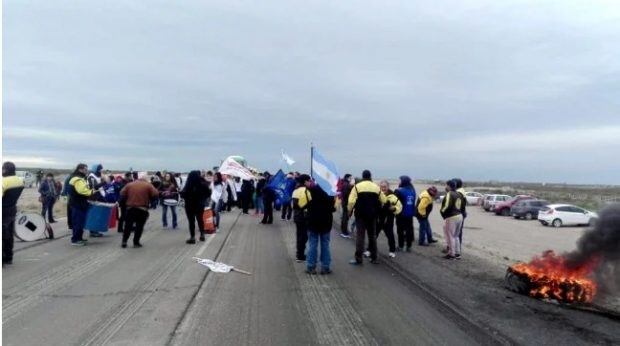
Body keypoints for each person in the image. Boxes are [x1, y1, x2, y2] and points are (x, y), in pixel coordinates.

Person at [347, 170, 386, 265]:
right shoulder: (376, 187)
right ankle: (374, 258)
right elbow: (384, 199)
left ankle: (358, 259)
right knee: (372, 236)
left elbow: (351, 201)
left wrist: (349, 211)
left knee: (360, 236)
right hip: (372, 215)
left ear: (363, 176)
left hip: (360, 215)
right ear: (370, 176)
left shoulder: (357, 187)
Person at [119, 173, 159, 248]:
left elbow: (122, 193)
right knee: (139, 226)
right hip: (142, 209)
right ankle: (136, 242)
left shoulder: (129, 184)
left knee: (128, 225)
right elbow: (155, 194)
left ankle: (124, 241)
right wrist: (150, 200)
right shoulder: (148, 185)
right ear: (146, 178)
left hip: (130, 208)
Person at [306, 178, 336, 275]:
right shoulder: (330, 192)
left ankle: (311, 267)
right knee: (325, 245)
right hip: (326, 221)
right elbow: (332, 208)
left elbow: (306, 204)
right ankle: (325, 267)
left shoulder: (311, 190)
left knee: (312, 245)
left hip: (313, 221)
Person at [369, 180, 401, 258]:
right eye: (381, 186)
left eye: (385, 187)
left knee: (390, 236)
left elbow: (399, 207)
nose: (383, 188)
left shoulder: (393, 196)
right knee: (373, 236)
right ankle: (369, 250)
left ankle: (392, 251)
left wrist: (394, 208)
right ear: (379, 187)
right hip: (378, 220)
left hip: (388, 220)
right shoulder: (376, 195)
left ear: (388, 187)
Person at [68, 163, 97, 246]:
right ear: (80, 169)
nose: (86, 171)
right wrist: (92, 192)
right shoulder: (77, 179)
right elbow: (81, 190)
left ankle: (79, 238)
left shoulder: (80, 178)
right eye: (85, 169)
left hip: (80, 203)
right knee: (78, 222)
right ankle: (75, 240)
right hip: (77, 204)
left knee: (81, 222)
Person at [3, 162, 25, 265]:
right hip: (12, 209)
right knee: (9, 234)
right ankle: (8, 257)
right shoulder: (19, 181)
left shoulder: (4, 181)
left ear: (5, 170)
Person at [181, 170, 211, 244]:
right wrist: (203, 199)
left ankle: (192, 237)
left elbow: (183, 195)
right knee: (200, 219)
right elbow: (208, 193)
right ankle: (202, 234)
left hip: (189, 205)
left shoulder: (188, 185)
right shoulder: (203, 184)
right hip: (200, 205)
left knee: (191, 221)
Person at [440, 179, 464, 260]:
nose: (445, 187)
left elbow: (447, 206)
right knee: (456, 236)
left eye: (446, 185)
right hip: (459, 215)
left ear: (449, 186)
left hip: (451, 216)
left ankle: (451, 254)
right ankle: (457, 253)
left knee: (450, 236)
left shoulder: (450, 194)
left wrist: (442, 212)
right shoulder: (459, 194)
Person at [394, 175, 417, 252]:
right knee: (409, 230)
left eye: (399, 180)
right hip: (410, 214)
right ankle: (409, 246)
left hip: (401, 214)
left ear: (403, 181)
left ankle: (400, 246)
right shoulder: (412, 190)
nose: (398, 182)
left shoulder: (399, 191)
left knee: (400, 230)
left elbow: (395, 202)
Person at [292, 174, 311, 262]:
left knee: (299, 235)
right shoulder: (305, 190)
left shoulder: (296, 189)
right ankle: (300, 255)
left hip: (297, 215)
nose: (310, 182)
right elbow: (308, 203)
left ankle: (299, 253)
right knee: (303, 236)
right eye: (309, 181)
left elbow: (294, 204)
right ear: (305, 181)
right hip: (304, 216)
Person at [87, 163, 106, 237]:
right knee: (94, 214)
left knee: (97, 214)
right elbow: (94, 187)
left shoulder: (98, 176)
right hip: (93, 198)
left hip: (98, 197)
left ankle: (96, 230)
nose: (101, 171)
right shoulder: (91, 177)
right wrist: (104, 182)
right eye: (99, 170)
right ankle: (93, 231)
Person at [454, 178, 467, 254]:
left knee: (456, 233)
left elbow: (457, 205)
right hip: (461, 213)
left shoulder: (458, 193)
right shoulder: (461, 191)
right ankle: (456, 249)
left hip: (457, 214)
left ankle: (456, 250)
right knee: (458, 232)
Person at [339, 174, 353, 238]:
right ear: (347, 178)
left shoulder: (345, 183)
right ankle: (344, 232)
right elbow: (346, 194)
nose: (351, 179)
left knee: (344, 217)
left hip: (344, 202)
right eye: (350, 178)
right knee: (345, 217)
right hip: (346, 203)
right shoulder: (346, 184)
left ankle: (343, 231)